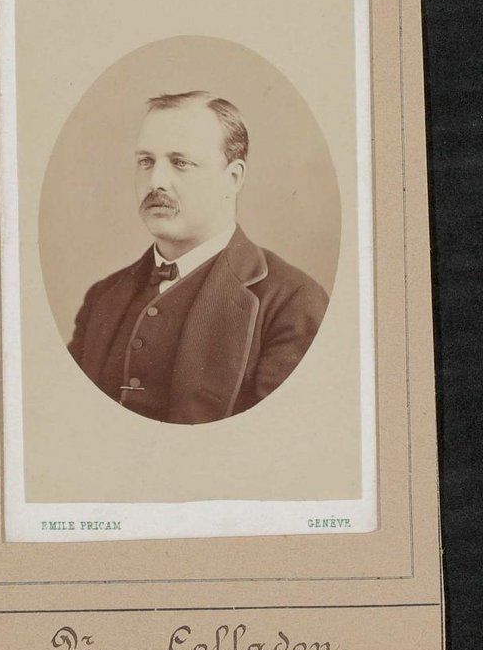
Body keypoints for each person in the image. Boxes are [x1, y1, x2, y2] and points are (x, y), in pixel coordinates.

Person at [68, 90, 329, 424]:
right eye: (146, 161)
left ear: (233, 178)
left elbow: (271, 441)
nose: (155, 181)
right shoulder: (101, 298)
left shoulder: (293, 303)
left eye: (180, 163)